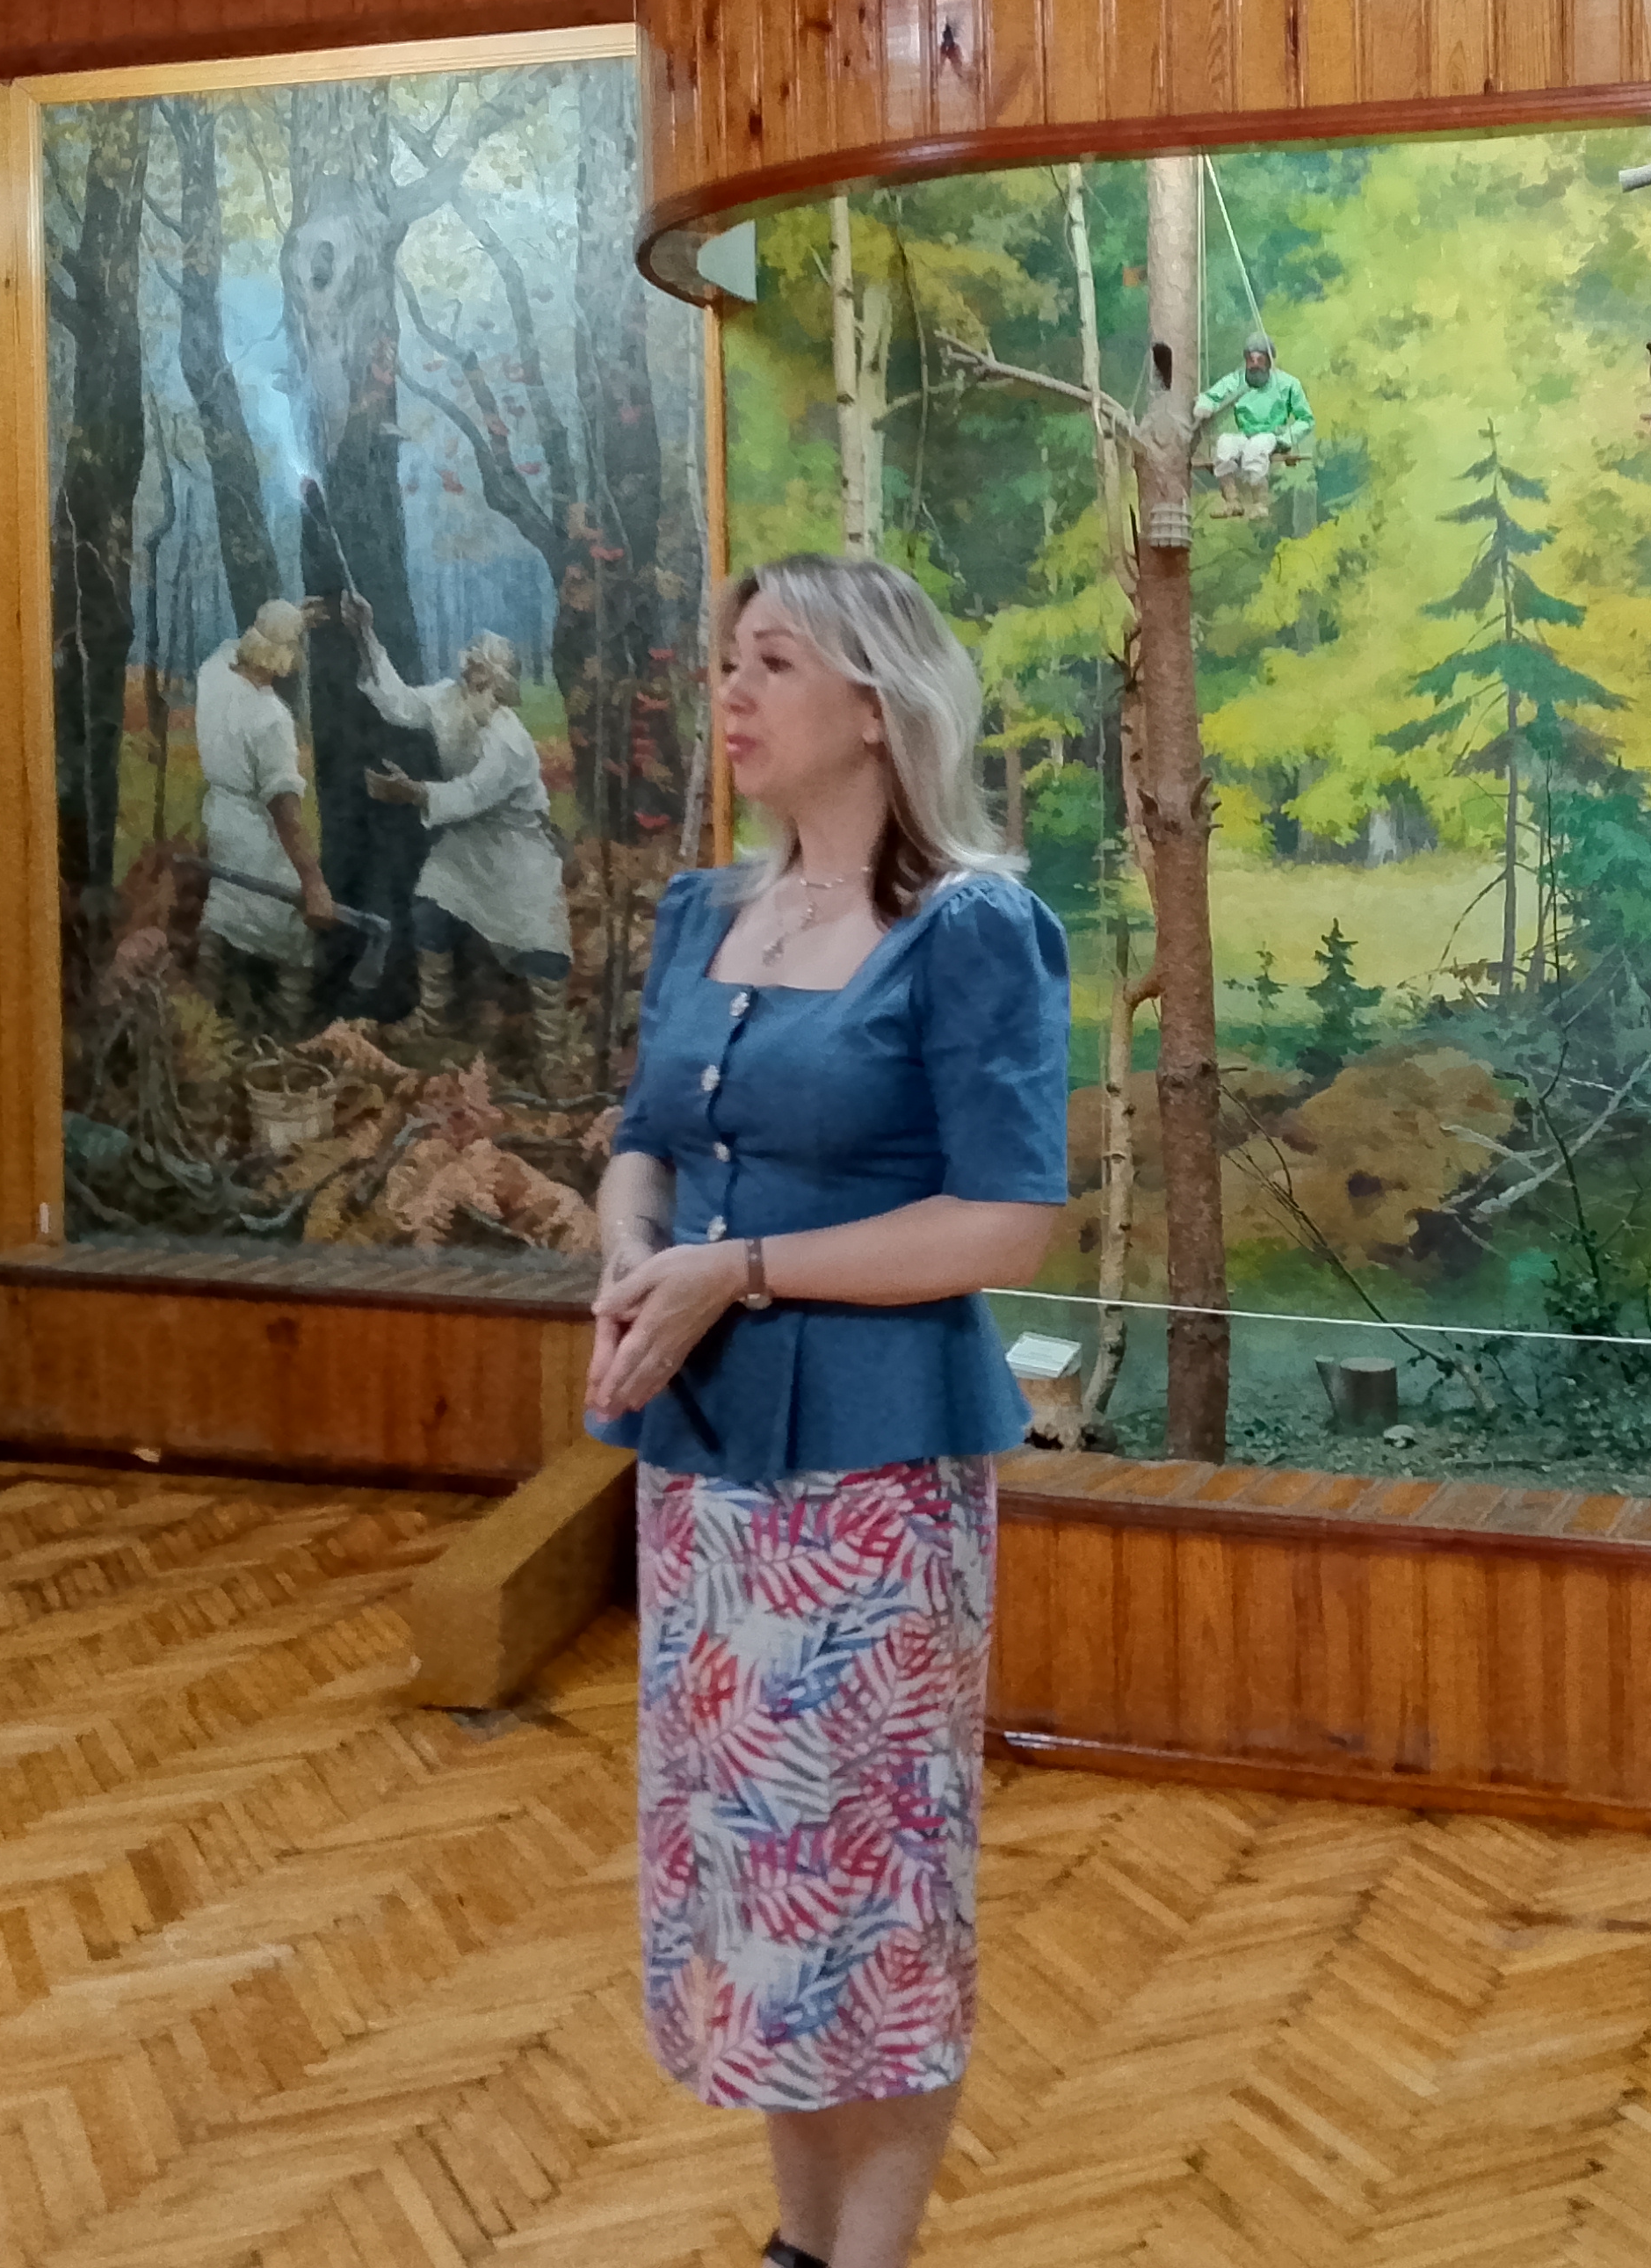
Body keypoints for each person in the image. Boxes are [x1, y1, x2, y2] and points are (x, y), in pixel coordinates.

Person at [587, 552, 1068, 2268]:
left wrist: (742, 1270)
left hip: (874, 1488)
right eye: (727, 659)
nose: (730, 691)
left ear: (875, 705)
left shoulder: (970, 930)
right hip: (704, 1469)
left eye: (773, 661)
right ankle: (798, 2245)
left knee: (870, 1890)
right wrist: (636, 1260)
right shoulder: (699, 914)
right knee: (753, 1879)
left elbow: (1003, 1224)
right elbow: (643, 1144)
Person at [338, 597, 577, 1083]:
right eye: (471, 659)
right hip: (467, 842)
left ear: (499, 681)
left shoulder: (509, 740)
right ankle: (434, 1021)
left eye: (482, 665)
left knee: (541, 948)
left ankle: (554, 1056)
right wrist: (365, 633)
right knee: (430, 907)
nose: (471, 669)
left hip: (519, 850)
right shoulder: (449, 699)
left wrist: (410, 792)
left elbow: (471, 793)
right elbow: (399, 702)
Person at [192, 598, 335, 1033]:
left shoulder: (213, 674)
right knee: (292, 930)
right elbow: (285, 811)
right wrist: (313, 883)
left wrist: (291, 619)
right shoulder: (271, 717)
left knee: (225, 907)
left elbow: (233, 647)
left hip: (221, 818)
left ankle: (203, 1021)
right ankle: (289, 1029)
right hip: (256, 831)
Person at [1191, 330, 1312, 513]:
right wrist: (1205, 405)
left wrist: (1287, 439)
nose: (1254, 364)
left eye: (1260, 359)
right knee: (1225, 445)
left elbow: (1306, 419)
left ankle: (1259, 503)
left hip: (1272, 435)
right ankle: (1231, 501)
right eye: (1250, 359)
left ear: (1269, 361)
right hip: (1245, 434)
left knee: (1256, 448)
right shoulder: (1237, 380)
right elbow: (1213, 395)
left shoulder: (1288, 384)